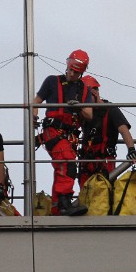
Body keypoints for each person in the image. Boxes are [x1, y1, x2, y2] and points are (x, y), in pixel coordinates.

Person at [32, 49, 93, 216]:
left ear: (81, 72)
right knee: (67, 164)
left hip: (70, 135)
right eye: (70, 69)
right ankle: (65, 203)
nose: (71, 74)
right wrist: (34, 116)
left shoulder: (84, 90)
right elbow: (36, 102)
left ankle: (57, 207)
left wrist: (78, 106)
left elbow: (89, 114)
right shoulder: (52, 81)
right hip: (53, 131)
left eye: (76, 72)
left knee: (62, 166)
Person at [78, 75, 136, 183]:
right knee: (85, 196)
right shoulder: (83, 112)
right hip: (86, 163)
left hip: (104, 163)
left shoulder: (111, 110)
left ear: (95, 93)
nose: (84, 101)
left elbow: (124, 130)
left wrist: (131, 149)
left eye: (86, 97)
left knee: (104, 196)